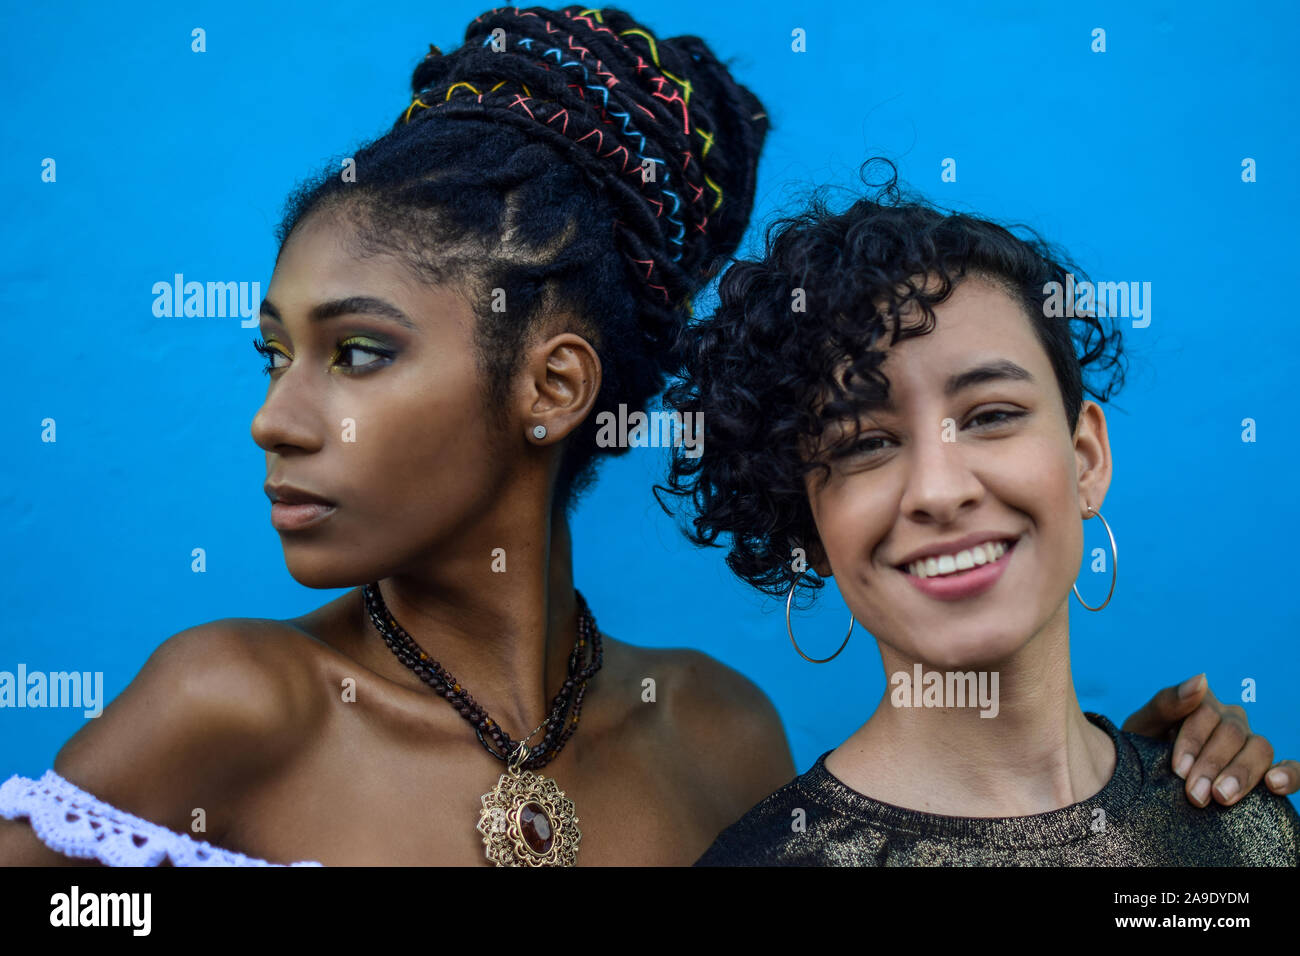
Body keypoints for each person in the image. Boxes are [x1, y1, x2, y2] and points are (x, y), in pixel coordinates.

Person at [0, 15, 1290, 866]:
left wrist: (1156, 804)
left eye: (359, 351)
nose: (274, 417)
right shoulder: (229, 700)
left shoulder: (720, 736)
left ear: (555, 383)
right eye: (274, 355)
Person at [659, 162, 1300, 865]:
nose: (939, 490)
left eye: (991, 415)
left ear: (1085, 459)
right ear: (810, 524)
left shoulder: (1243, 827)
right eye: (867, 442)